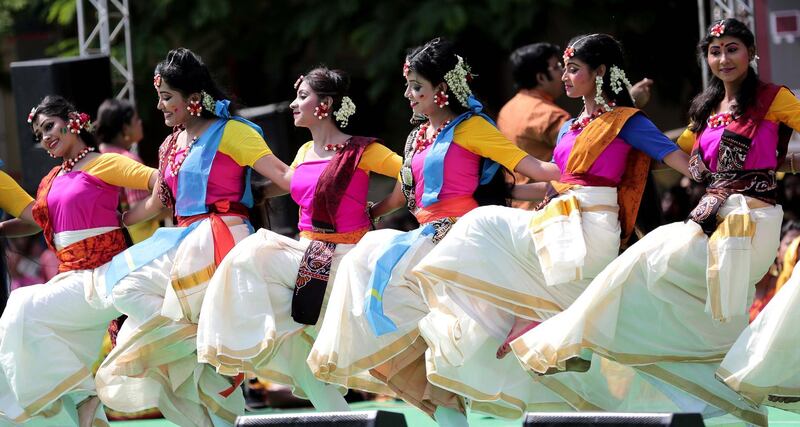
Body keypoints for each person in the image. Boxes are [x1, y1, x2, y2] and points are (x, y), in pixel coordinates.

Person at [510, 19, 799, 426]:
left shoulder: (772, 98)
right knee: (651, 283)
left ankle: (573, 341)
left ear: (751, 52)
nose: (723, 58)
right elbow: (676, 156)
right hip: (713, 220)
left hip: (752, 219)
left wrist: (780, 162)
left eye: (732, 48)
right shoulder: (705, 109)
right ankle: (717, 396)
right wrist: (621, 116)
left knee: (643, 257)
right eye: (715, 52)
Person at [410, 33, 690, 418]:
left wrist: (716, 180)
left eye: (574, 69)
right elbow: (558, 177)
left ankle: (534, 320)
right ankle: (530, 319)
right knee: (485, 228)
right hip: (557, 216)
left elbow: (670, 153)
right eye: (565, 69)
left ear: (601, 73)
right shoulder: (569, 126)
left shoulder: (624, 121)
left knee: (482, 221)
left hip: (590, 222)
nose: (566, 77)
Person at [307, 38, 561, 427]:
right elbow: (402, 197)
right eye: (408, 86)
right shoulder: (418, 137)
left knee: (447, 333)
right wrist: (368, 212)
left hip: (463, 239)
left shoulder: (472, 127)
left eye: (417, 87)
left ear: (442, 90)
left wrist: (583, 175)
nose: (408, 95)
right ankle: (448, 416)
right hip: (424, 238)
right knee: (379, 282)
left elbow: (536, 170)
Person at [92, 48, 292, 426]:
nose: (160, 106)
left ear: (194, 98)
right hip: (181, 239)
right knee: (122, 292)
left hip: (221, 235)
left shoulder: (233, 131)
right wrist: (111, 218)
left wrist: (330, 178)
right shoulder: (170, 145)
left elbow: (283, 176)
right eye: (159, 97)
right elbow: (154, 204)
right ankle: (203, 341)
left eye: (167, 97)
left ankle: (209, 340)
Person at [197, 67, 404, 411]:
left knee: (254, 254)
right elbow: (287, 184)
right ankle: (240, 351)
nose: (294, 104)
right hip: (308, 257)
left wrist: (379, 209)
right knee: (293, 343)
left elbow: (410, 172)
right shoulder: (306, 151)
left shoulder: (361, 151)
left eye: (303, 97)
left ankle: (236, 349)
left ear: (325, 104)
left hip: (345, 261)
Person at [0, 95, 157, 427]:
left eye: (49, 127)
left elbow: (158, 181)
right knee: (26, 344)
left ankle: (85, 393)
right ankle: (84, 409)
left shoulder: (101, 162)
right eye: (39, 134)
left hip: (101, 277)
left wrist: (130, 217)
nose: (45, 138)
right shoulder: (52, 179)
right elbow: (36, 220)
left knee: (20, 307)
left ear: (72, 121)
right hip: (71, 279)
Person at [500, 42, 654, 210]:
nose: (563, 75)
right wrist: (629, 104)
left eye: (571, 69)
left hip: (518, 206)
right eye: (558, 67)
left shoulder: (506, 111)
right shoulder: (550, 116)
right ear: (541, 78)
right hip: (554, 208)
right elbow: (595, 146)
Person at [95, 98, 161, 243]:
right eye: (136, 119)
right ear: (125, 129)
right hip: (141, 241)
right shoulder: (127, 159)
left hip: (112, 242)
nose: (140, 123)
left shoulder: (95, 159)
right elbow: (140, 209)